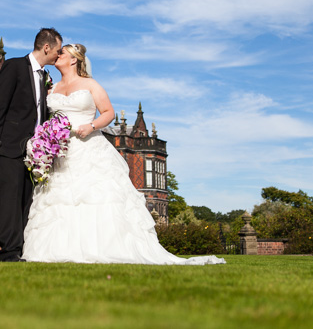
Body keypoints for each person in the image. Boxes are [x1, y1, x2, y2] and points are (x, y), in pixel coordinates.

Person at [21, 44, 225, 265]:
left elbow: (108, 112)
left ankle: (99, 248)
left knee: (94, 198)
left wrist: (91, 125)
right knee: (58, 202)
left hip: (88, 147)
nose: (57, 55)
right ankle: (55, 251)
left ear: (73, 60)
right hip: (61, 151)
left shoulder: (90, 85)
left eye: (62, 53)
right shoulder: (51, 88)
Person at [0, 28, 63, 262]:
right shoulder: (15, 66)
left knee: (27, 201)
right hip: (10, 145)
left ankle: (23, 249)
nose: (58, 55)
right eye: (57, 50)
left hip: (35, 151)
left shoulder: (44, 76)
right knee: (10, 200)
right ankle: (8, 253)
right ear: (46, 47)